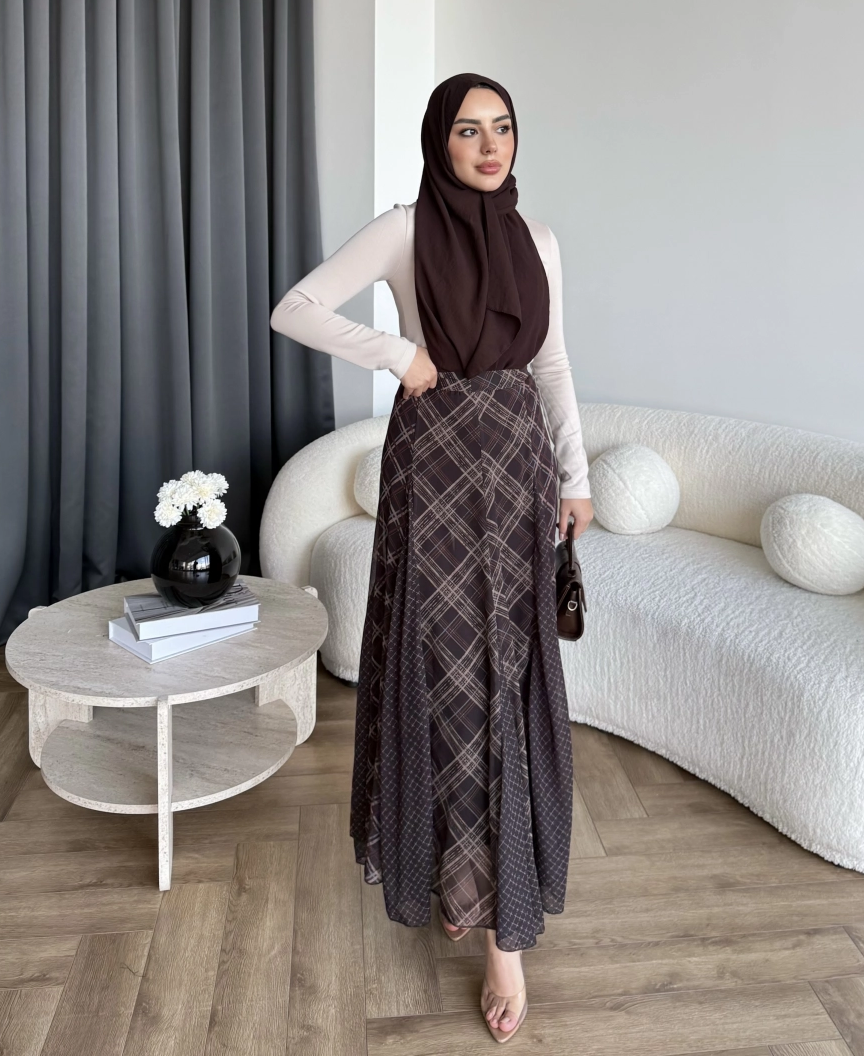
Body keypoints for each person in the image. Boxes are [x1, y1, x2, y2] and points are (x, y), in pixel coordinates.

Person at [270, 72, 593, 1043]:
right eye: (468, 129)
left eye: (503, 128)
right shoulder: (406, 230)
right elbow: (295, 307)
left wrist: (576, 478)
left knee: (505, 686)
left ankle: (502, 937)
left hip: (519, 472)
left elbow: (550, 363)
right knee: (447, 683)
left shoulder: (539, 241)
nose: (490, 146)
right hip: (435, 473)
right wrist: (395, 354)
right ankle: (458, 872)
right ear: (437, 141)